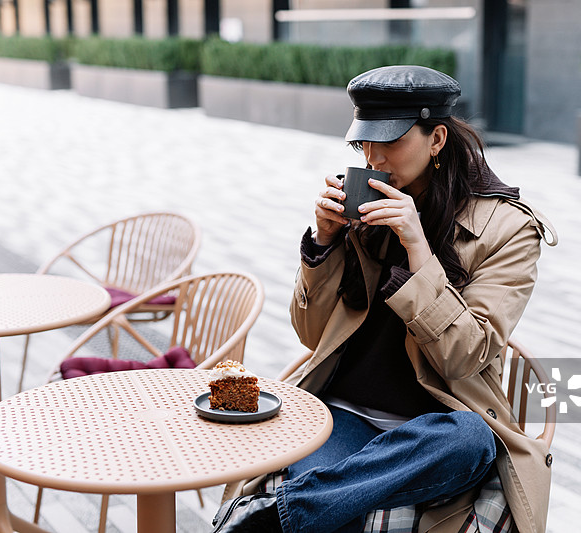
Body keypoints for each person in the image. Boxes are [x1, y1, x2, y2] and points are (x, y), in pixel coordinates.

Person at [212, 65, 557, 533]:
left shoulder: (508, 230)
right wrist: (324, 243)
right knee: (341, 511)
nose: (372, 157)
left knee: (472, 439)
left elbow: (464, 358)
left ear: (436, 138)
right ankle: (292, 515)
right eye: (363, 142)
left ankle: (274, 519)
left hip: (435, 426)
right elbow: (311, 335)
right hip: (345, 413)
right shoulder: (361, 205)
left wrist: (417, 248)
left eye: (390, 141)